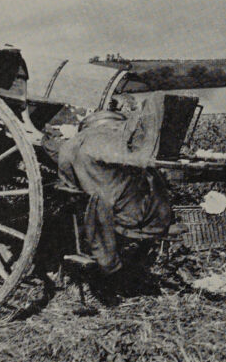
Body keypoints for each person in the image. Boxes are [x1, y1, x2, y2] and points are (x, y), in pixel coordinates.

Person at [56, 91, 173, 285]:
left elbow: (66, 177)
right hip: (143, 213)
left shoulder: (77, 143)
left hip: (109, 211)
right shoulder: (124, 138)